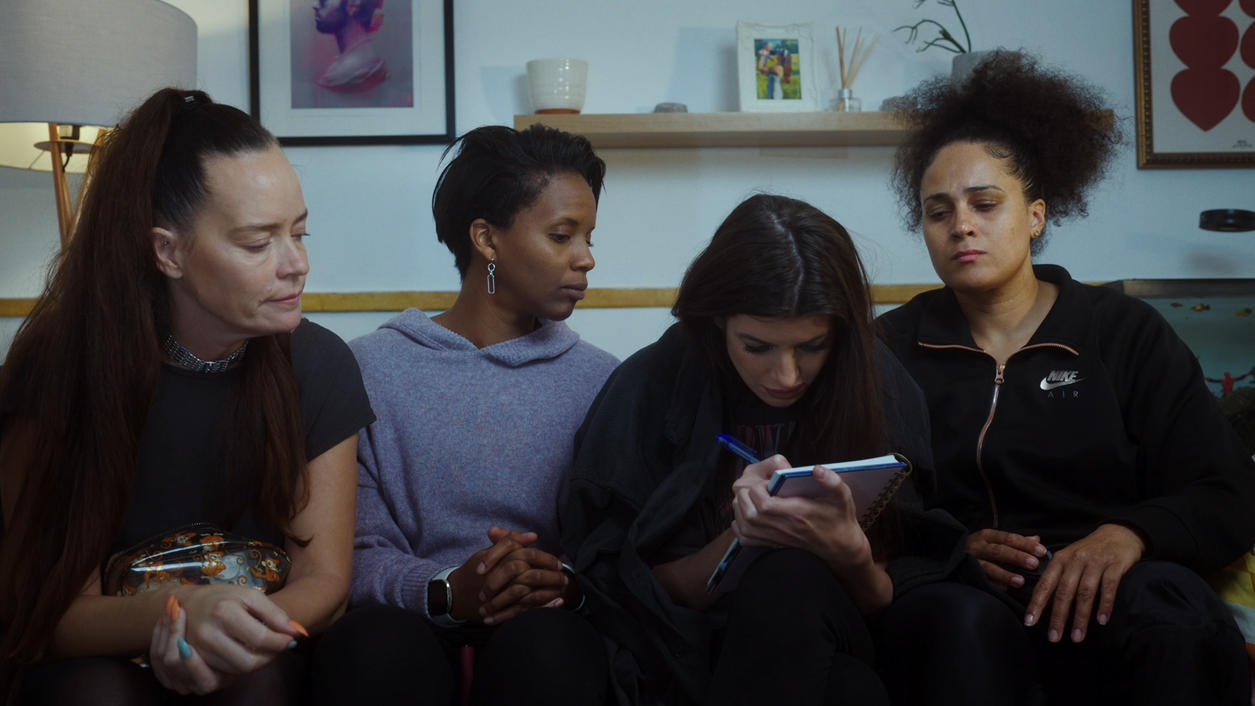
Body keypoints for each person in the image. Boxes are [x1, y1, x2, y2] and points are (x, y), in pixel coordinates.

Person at [875, 50, 1255, 706]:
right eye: (937, 212)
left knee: (1174, 615)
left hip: (1122, 586)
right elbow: (869, 505)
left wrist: (1128, 534)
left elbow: (1221, 492)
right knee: (948, 625)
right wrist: (953, 548)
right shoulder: (889, 347)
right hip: (964, 591)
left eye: (984, 203)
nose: (960, 224)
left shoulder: (1123, 332)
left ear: (1035, 216)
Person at [0, 89, 375, 704]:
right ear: (167, 251)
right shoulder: (59, 369)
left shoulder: (319, 362)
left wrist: (237, 635)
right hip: (99, 655)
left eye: (299, 232)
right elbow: (50, 611)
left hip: (262, 646)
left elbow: (325, 577)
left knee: (257, 683)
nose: (297, 264)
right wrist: (182, 615)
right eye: (258, 243)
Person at [561, 194, 970, 705]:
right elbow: (621, 593)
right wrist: (739, 541)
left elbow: (885, 599)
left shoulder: (878, 384)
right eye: (756, 347)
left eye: (813, 346)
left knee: (791, 580)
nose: (787, 376)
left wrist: (849, 554)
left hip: (834, 623)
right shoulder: (650, 386)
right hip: (678, 649)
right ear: (716, 321)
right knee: (850, 689)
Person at [312, 125, 619, 705]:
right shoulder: (368, 369)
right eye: (562, 236)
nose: (587, 258)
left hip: (546, 629)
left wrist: (559, 580)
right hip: (406, 625)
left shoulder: (604, 380)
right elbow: (351, 553)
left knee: (551, 650)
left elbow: (615, 551)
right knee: (370, 647)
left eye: (588, 236)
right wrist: (450, 590)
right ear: (486, 238)